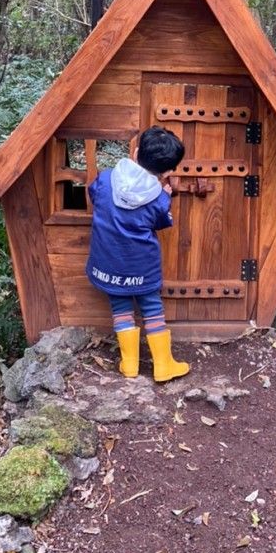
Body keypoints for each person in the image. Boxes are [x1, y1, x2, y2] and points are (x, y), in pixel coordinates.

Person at [85, 126, 190, 382]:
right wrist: (166, 197)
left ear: (135, 152)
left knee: (120, 306)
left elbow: (93, 193)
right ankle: (163, 365)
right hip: (142, 266)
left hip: (108, 261)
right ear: (168, 172)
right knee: (152, 308)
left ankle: (129, 364)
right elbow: (162, 221)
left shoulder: (106, 179)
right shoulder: (158, 199)